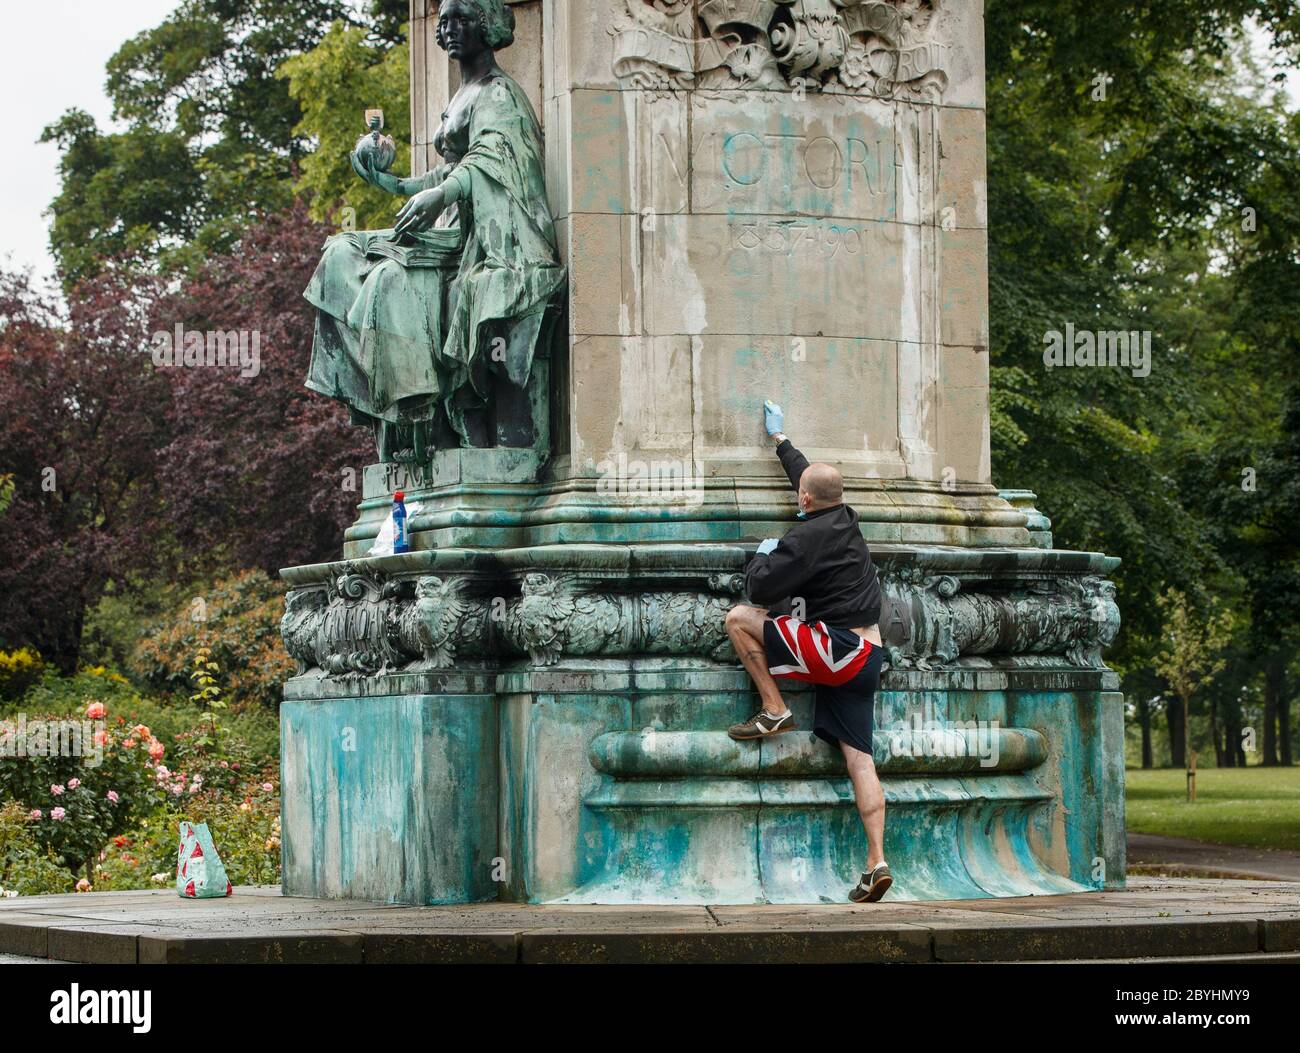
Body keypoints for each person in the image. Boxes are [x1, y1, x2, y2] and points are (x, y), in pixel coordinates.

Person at [303, 0, 565, 459]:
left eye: (461, 18)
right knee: (339, 254)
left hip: (493, 240)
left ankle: (421, 410)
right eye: (443, 20)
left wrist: (441, 196)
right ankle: (393, 406)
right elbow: (446, 176)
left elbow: (492, 159)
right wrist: (388, 181)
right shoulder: (460, 95)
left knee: (388, 279)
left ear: (487, 26)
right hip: (453, 231)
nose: (449, 29)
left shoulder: (498, 93)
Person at [724, 400, 893, 903]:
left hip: (837, 653)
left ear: (804, 500)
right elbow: (811, 479)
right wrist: (782, 444)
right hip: (869, 657)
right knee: (861, 760)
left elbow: (758, 590)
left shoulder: (805, 539)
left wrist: (764, 553)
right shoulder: (845, 517)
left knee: (738, 618)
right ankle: (877, 862)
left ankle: (775, 710)